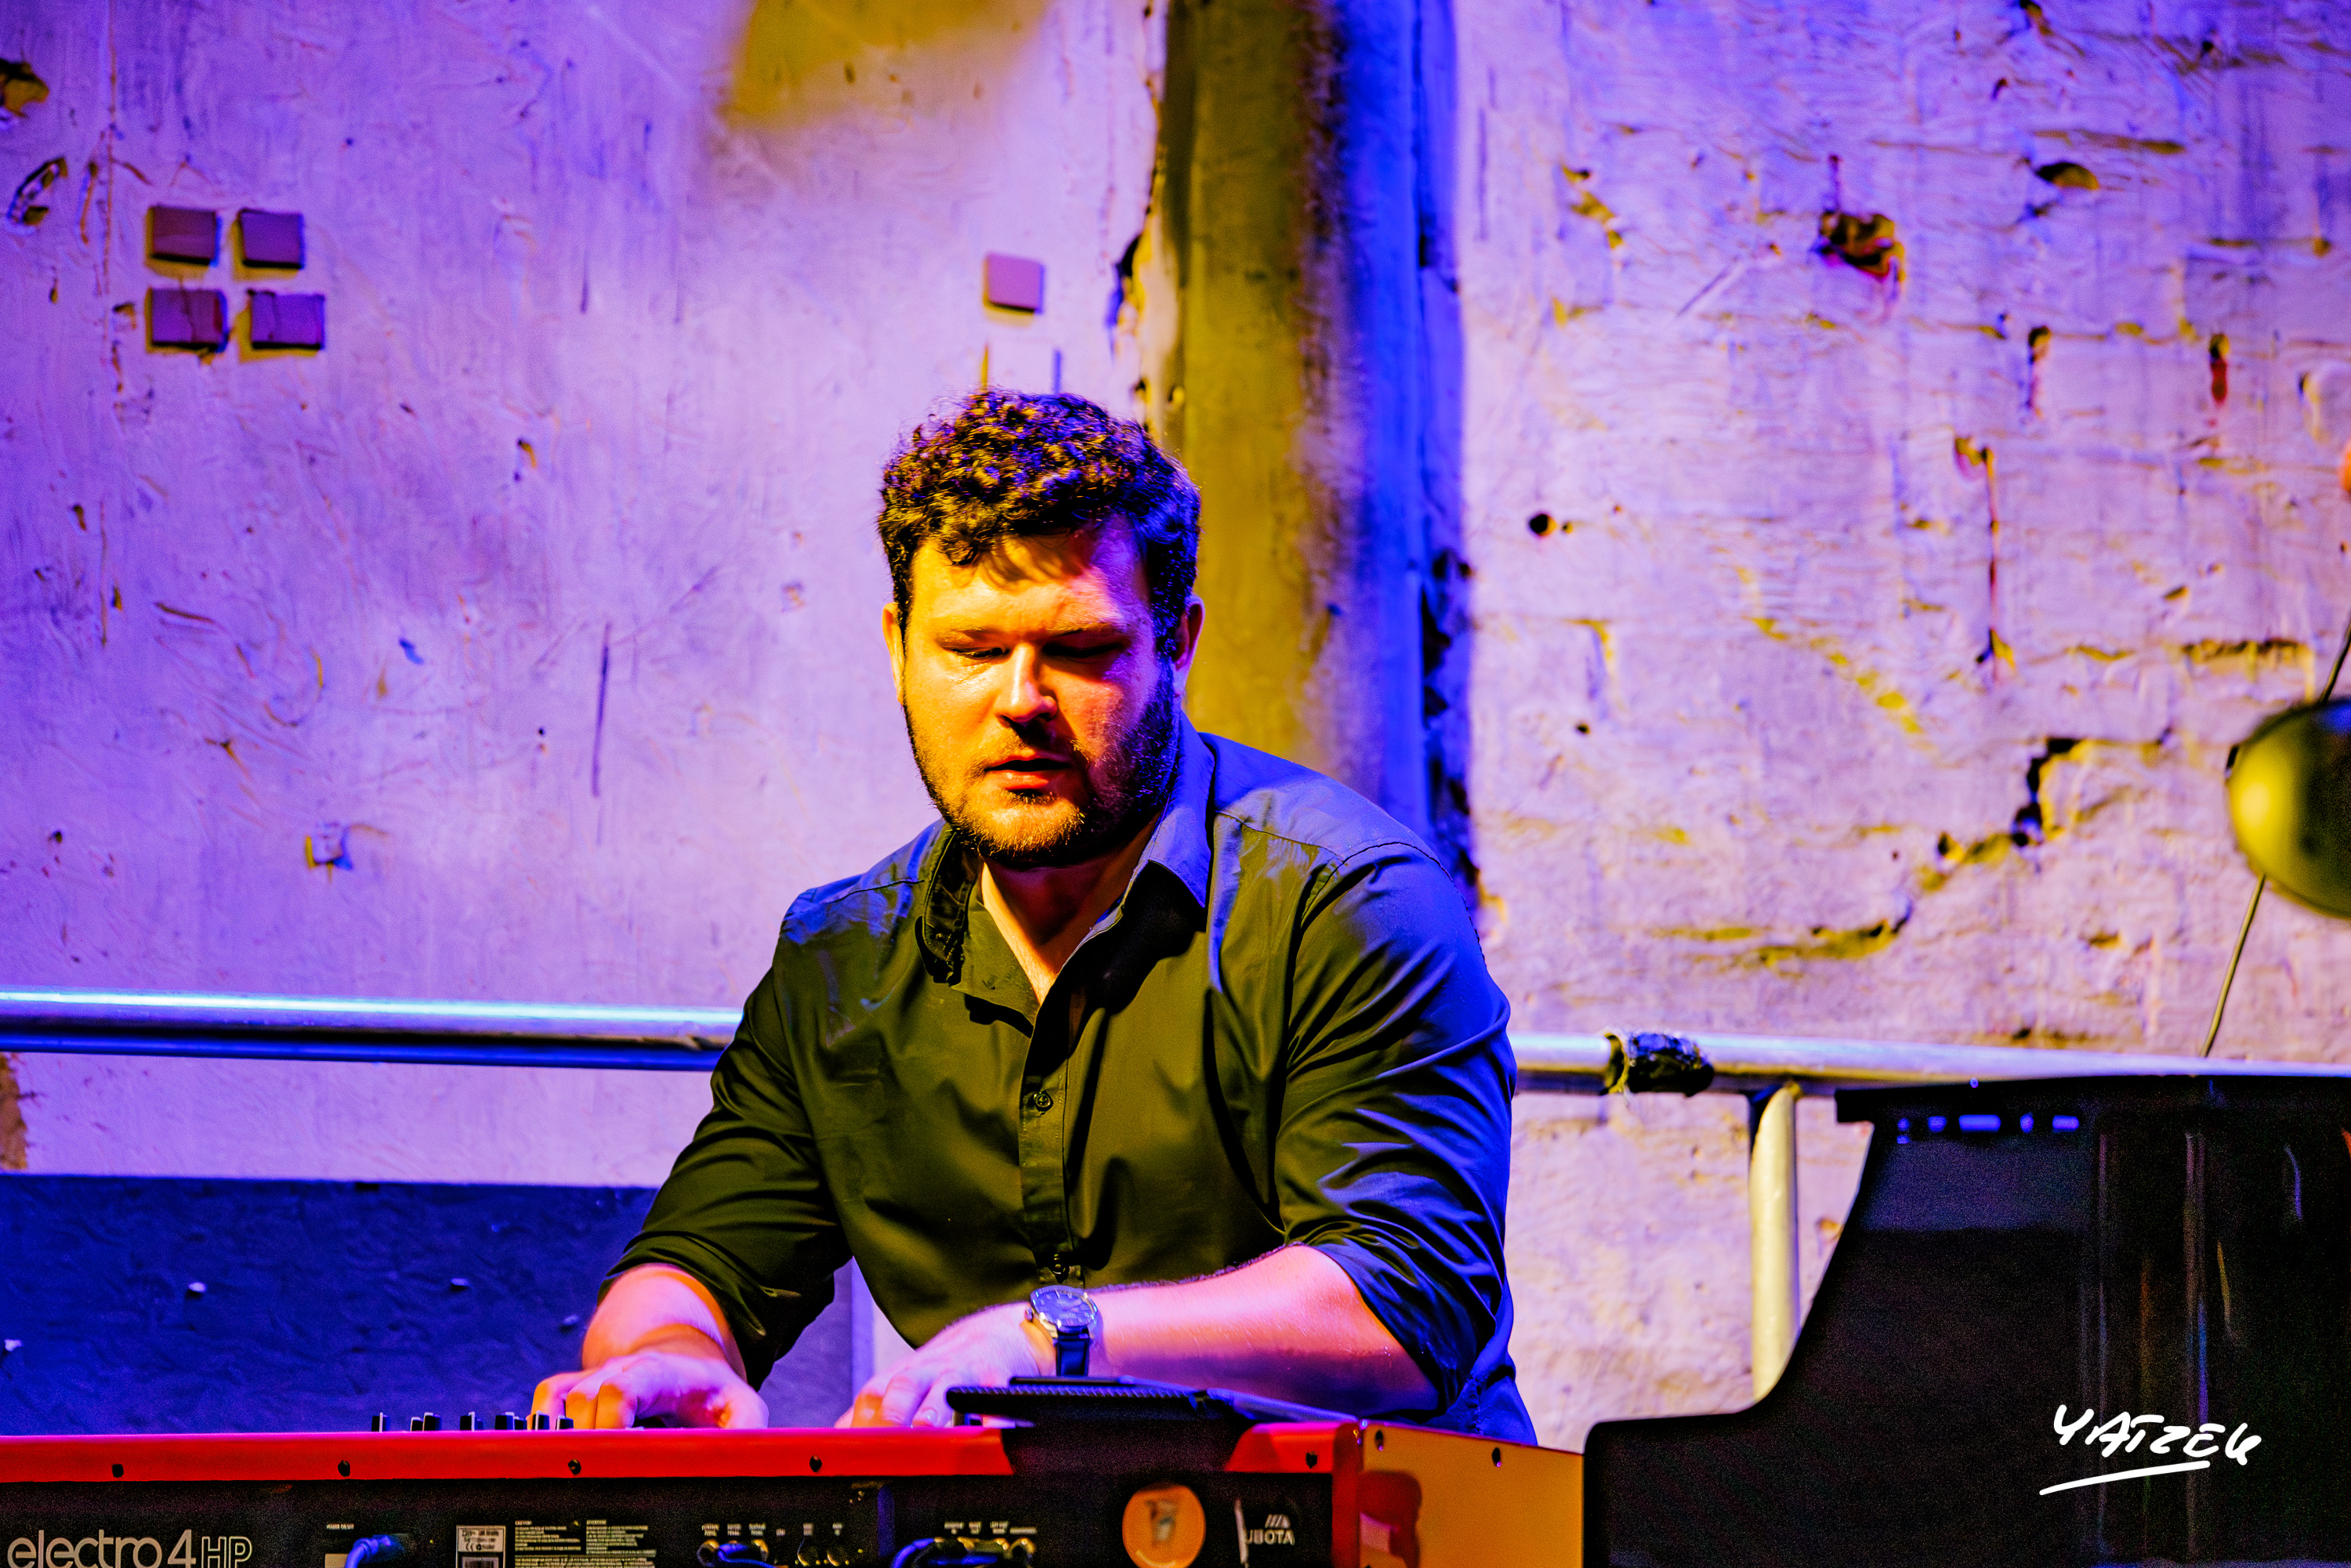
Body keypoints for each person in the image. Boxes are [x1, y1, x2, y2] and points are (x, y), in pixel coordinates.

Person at [533, 389, 1532, 1441]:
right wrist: (668, 1356)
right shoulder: (843, 958)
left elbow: (1407, 1299)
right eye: (971, 649)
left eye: (1080, 648)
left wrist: (1049, 1338)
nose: (1021, 701)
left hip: (1372, 1516)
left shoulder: (1349, 899)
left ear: (1177, 641)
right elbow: (697, 1264)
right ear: (899, 647)